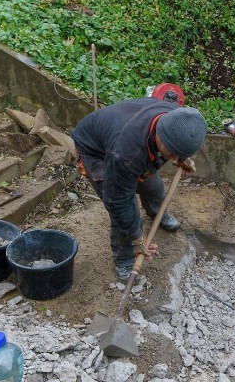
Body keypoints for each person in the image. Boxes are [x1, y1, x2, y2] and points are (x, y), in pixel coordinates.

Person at [71, 97, 206, 280]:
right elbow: (118, 201)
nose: (173, 159)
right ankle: (124, 256)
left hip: (123, 136)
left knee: (152, 186)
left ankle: (157, 212)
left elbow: (167, 149)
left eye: (178, 154)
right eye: (172, 153)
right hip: (95, 150)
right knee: (124, 210)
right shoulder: (125, 153)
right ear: (160, 134)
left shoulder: (177, 117)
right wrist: (136, 236)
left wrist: (182, 157)